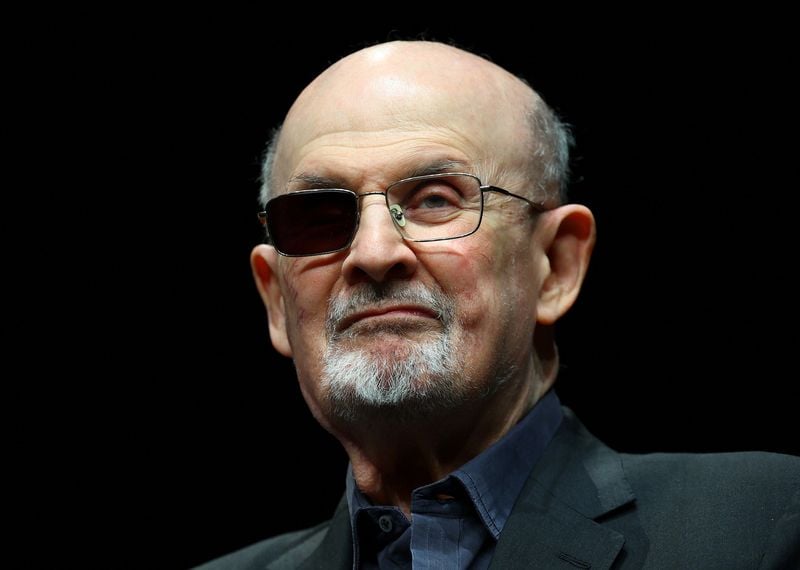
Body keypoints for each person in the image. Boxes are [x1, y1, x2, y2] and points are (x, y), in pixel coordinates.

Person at [198, 41, 799, 569]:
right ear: (276, 300)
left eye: (436, 199)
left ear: (556, 266)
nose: (374, 253)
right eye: (320, 216)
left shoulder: (766, 524)